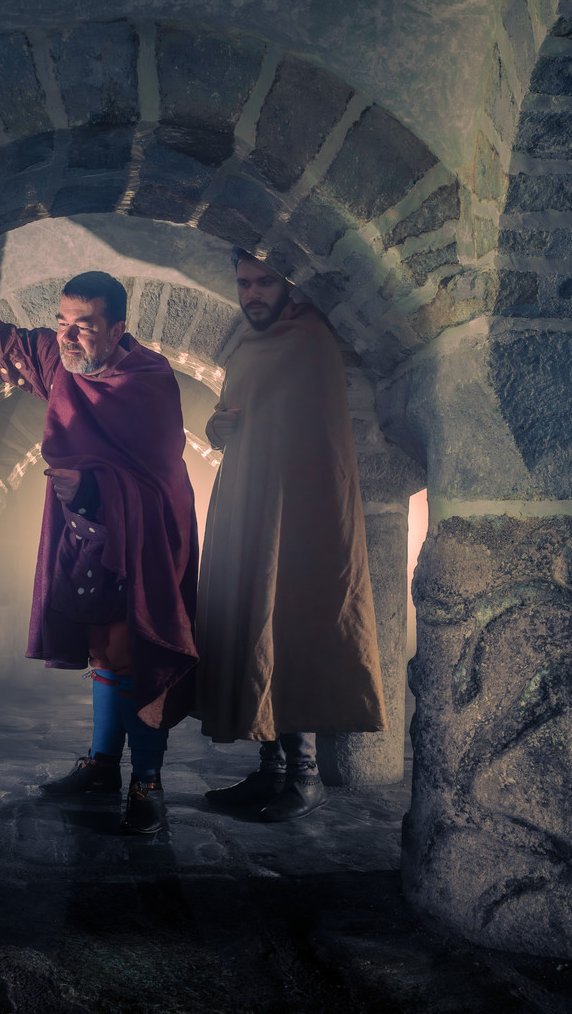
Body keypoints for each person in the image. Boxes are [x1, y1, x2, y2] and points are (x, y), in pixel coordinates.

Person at [0, 272, 199, 835]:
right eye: (61, 323)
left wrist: (91, 487)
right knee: (102, 651)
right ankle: (103, 766)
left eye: (83, 328)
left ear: (117, 329)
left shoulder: (150, 379)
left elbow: (156, 474)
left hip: (145, 535)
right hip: (83, 530)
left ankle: (149, 783)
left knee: (134, 649)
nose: (67, 337)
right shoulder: (54, 359)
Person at [196, 249, 386, 822]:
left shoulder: (310, 340)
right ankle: (270, 770)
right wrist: (217, 426)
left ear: (288, 283)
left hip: (301, 512)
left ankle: (305, 774)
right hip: (249, 503)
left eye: (263, 282)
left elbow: (314, 431)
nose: (251, 294)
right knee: (253, 619)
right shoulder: (247, 348)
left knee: (291, 625)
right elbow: (234, 418)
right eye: (243, 284)